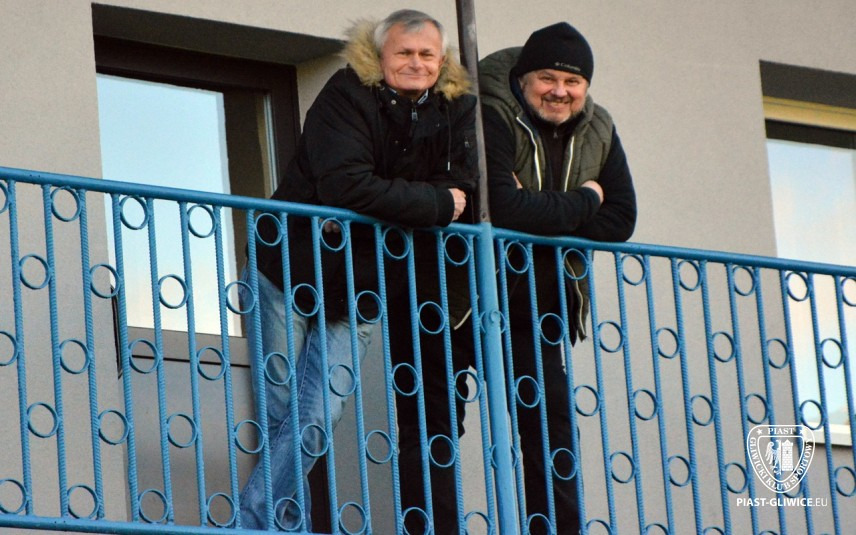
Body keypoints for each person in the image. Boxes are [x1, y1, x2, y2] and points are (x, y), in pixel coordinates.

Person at [239, 9, 477, 531]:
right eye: (404, 53)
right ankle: (279, 525)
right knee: (282, 412)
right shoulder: (346, 93)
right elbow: (345, 184)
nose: (416, 64)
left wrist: (404, 199)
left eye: (427, 55)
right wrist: (434, 203)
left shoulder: (457, 109)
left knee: (318, 417)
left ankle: (252, 522)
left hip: (363, 287)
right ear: (380, 54)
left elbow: (467, 189)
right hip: (287, 268)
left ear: (442, 61)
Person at [398, 22, 637, 534]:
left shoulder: (599, 127)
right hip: (452, 297)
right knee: (433, 427)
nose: (560, 91)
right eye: (548, 78)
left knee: (551, 428)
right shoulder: (486, 111)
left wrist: (537, 208)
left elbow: (621, 220)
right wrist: (586, 199)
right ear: (524, 78)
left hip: (536, 309)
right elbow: (500, 207)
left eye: (573, 82)